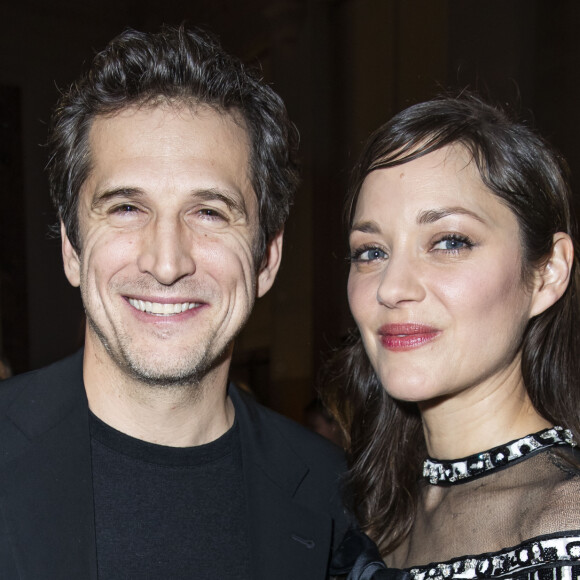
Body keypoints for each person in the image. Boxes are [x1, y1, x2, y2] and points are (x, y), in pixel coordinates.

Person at [0, 26, 348, 579]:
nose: (166, 263)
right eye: (125, 208)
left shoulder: (335, 496)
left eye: (209, 212)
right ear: (71, 247)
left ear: (267, 258)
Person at [326, 93, 580, 580]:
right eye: (371, 251)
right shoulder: (372, 508)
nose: (392, 288)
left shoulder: (564, 528)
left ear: (547, 273)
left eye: (449, 242)